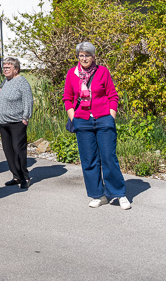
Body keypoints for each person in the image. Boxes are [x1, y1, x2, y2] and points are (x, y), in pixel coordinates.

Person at [63, 42, 130, 210]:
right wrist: (74, 118)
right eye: (81, 55)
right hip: (82, 121)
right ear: (78, 57)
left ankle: (119, 193)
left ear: (93, 57)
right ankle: (98, 195)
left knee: (108, 157)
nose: (84, 58)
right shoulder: (72, 73)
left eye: (87, 55)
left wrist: (111, 117)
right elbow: (67, 98)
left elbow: (113, 95)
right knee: (89, 160)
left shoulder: (102, 71)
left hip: (103, 119)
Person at [0, 57, 34, 189]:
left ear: (16, 69)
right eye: (4, 67)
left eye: (8, 67)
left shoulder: (21, 81)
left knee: (18, 150)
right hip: (3, 122)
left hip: (16, 122)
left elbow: (28, 100)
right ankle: (16, 176)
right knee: (8, 151)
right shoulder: (6, 81)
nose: (5, 69)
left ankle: (25, 177)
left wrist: (25, 117)